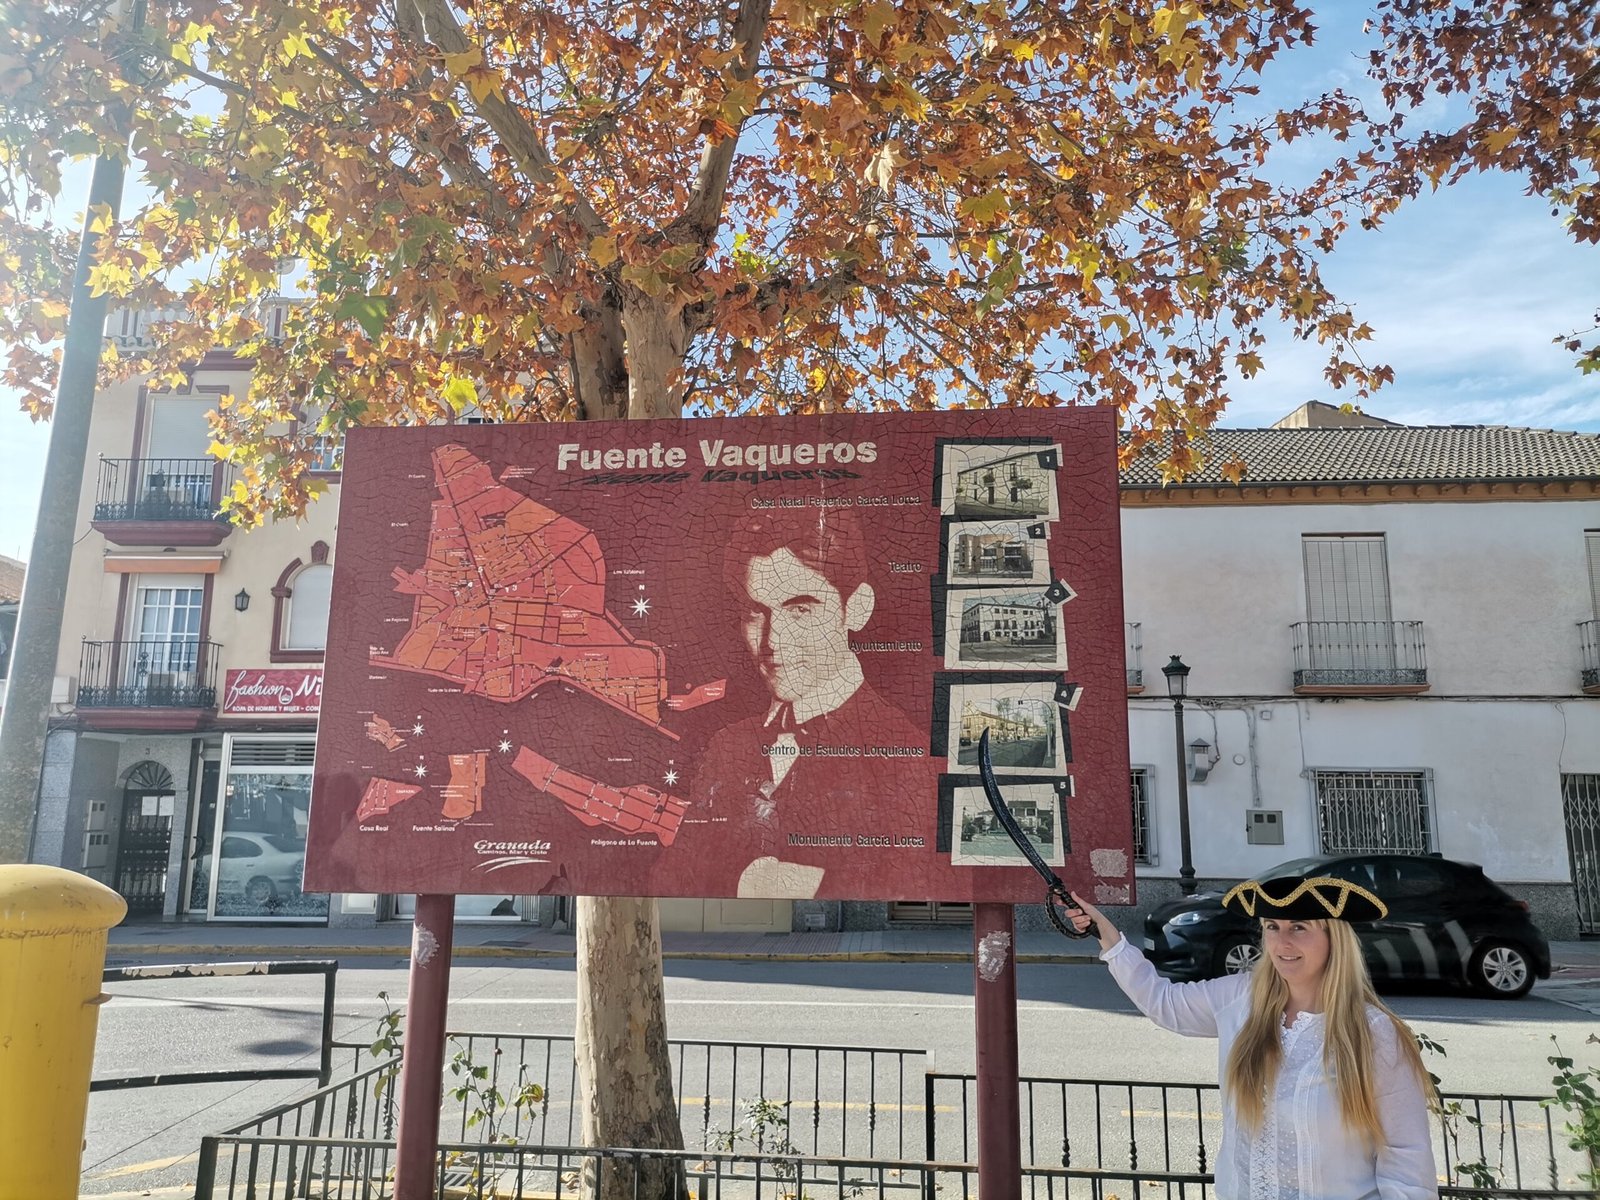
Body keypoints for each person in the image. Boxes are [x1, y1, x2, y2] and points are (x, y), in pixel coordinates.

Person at [1069, 874, 1439, 1200]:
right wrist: (1109, 937)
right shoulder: (1240, 1000)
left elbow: (1405, 1156)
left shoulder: (1372, 1033)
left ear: (1334, 939)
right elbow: (1164, 1003)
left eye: (1299, 928)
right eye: (1272, 927)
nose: (1281, 943)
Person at [693, 508, 930, 896]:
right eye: (756, 613)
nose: (772, 642)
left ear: (856, 608)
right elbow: (671, 874)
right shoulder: (725, 747)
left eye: (801, 610)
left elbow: (915, 882)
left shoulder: (910, 758)